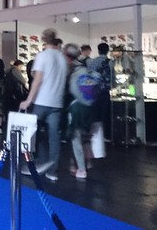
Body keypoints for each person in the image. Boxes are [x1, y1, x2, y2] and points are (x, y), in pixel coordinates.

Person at [20, 28, 67, 181]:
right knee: (54, 138)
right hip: (57, 103)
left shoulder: (43, 56)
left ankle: (31, 165)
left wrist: (28, 100)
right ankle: (52, 171)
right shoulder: (62, 58)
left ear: (43, 40)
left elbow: (37, 80)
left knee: (29, 134)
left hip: (42, 101)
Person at [63, 43, 96, 180]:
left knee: (75, 138)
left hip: (76, 107)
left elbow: (73, 90)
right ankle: (84, 163)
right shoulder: (85, 67)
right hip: (88, 107)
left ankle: (81, 168)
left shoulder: (71, 70)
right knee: (84, 137)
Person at [87, 43, 113, 140]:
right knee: (105, 114)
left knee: (95, 113)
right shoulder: (110, 62)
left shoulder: (92, 62)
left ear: (98, 51)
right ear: (108, 51)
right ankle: (106, 135)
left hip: (93, 90)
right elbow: (113, 77)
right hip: (105, 91)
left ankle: (95, 135)